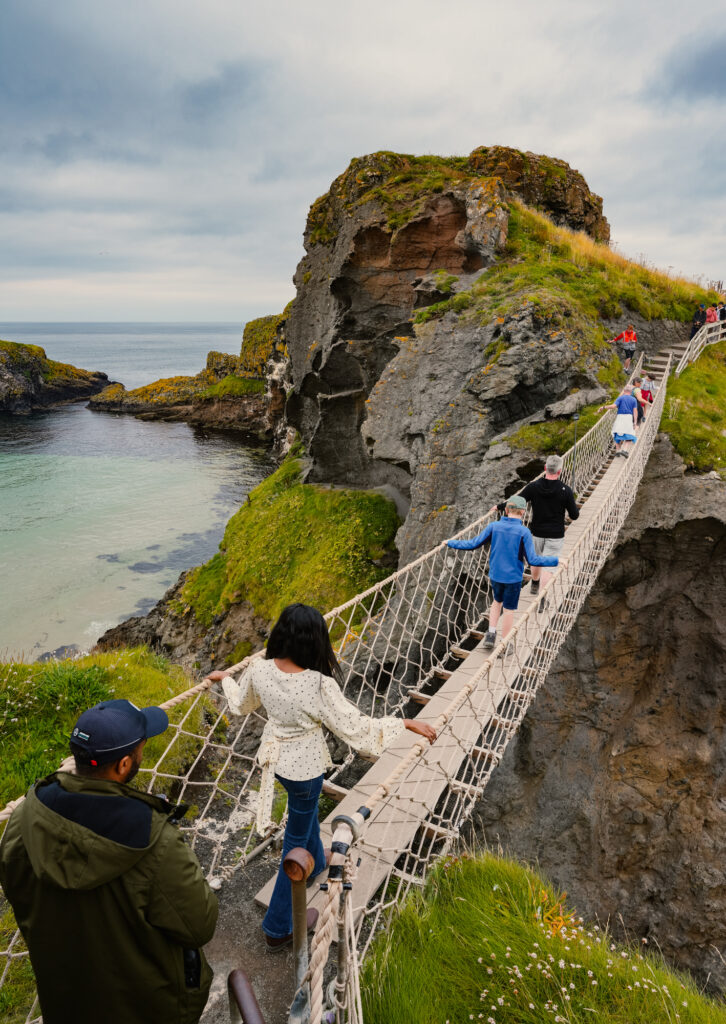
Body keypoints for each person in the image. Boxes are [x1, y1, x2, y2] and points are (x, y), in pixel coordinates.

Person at [207, 604, 436, 950]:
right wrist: (404, 723)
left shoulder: (258, 670)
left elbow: (240, 705)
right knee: (294, 845)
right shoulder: (318, 685)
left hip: (276, 762)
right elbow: (357, 730)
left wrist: (225, 679)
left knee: (304, 816)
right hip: (305, 770)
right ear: (315, 642)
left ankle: (315, 862)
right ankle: (279, 927)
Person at [0, 700, 218, 1024]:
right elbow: (200, 924)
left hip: (65, 998)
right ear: (124, 764)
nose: (145, 752)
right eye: (143, 746)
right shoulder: (155, 842)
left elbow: (18, 888)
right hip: (146, 1006)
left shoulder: (23, 819)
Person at [447, 494, 561, 649]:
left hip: (495, 575)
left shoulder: (493, 526)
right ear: (522, 512)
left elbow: (473, 544)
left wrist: (450, 542)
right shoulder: (524, 532)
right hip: (513, 579)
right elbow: (533, 560)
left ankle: (491, 634)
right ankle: (504, 645)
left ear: (506, 510)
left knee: (496, 602)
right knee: (509, 610)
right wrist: (556, 561)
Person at [519, 454, 579, 596]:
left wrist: (499, 506)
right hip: (555, 535)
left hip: (537, 532)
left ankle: (534, 583)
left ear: (545, 468)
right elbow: (574, 516)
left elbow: (518, 500)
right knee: (548, 567)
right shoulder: (565, 490)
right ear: (559, 471)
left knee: (536, 560)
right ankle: (542, 596)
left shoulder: (533, 487)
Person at [598, 384, 638, 458]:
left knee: (617, 433)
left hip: (620, 417)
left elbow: (613, 406)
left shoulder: (620, 398)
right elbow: (635, 411)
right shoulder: (633, 399)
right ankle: (625, 450)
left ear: (624, 391)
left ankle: (618, 450)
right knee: (630, 434)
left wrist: (603, 407)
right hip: (628, 418)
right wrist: (635, 422)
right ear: (631, 391)